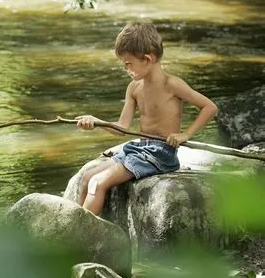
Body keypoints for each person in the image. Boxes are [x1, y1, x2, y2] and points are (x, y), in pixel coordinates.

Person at [75, 21, 218, 216]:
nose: (126, 69)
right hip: (139, 149)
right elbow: (122, 128)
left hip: (160, 153)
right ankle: (73, 227)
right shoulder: (134, 88)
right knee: (86, 178)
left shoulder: (172, 85)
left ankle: (81, 236)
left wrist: (186, 134)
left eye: (128, 64)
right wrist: (97, 123)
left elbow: (210, 107)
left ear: (147, 59)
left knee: (97, 182)